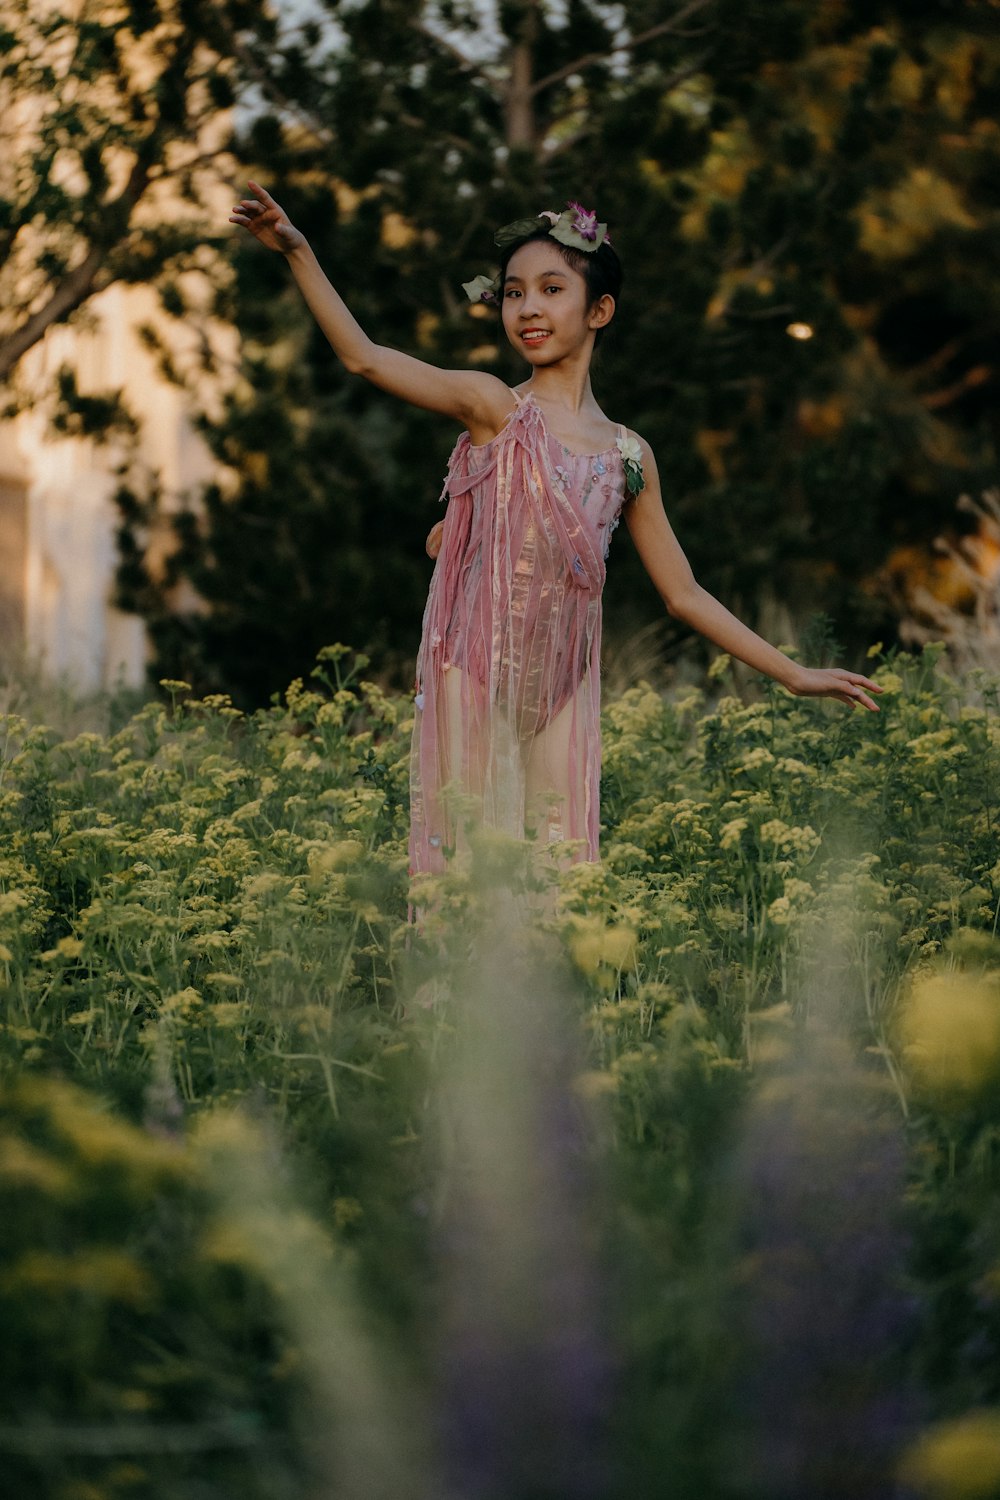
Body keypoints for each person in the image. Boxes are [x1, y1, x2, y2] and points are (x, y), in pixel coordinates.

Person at [229, 185, 882, 877]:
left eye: (550, 289)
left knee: (561, 886)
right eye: (513, 293)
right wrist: (297, 250)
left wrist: (793, 674)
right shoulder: (493, 407)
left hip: (564, 687)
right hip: (474, 672)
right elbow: (364, 357)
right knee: (469, 882)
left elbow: (684, 594)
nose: (529, 308)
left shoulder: (629, 456)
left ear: (599, 309)